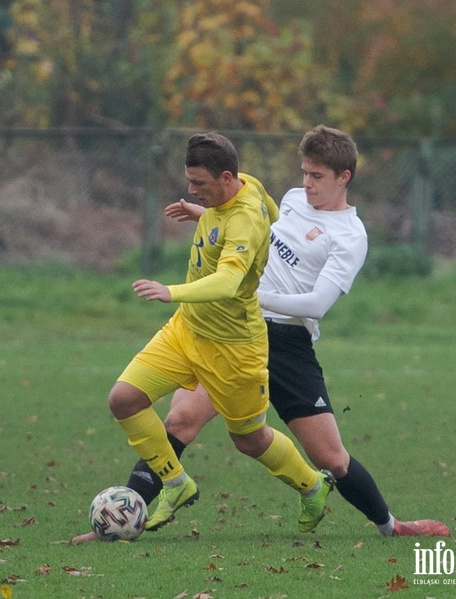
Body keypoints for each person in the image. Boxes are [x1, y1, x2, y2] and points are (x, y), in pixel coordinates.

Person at [75, 125, 448, 542]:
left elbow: (316, 304)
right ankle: (126, 520)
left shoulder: (350, 236)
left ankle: (389, 525)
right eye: (305, 173)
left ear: (345, 177)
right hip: (229, 332)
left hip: (287, 343)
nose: (306, 184)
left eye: (318, 176)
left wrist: (250, 293)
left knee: (329, 456)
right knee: (180, 420)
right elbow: (255, 238)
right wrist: (209, 216)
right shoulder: (288, 200)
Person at [106, 132, 335, 536]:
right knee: (124, 400)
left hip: (234, 349)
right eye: (190, 181)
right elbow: (274, 219)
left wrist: (170, 291)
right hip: (187, 330)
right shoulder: (248, 185)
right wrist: (204, 213)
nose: (191, 189)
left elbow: (229, 280)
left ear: (226, 177)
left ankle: (312, 485)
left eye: (200, 184)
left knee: (249, 439)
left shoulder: (244, 219)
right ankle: (176, 484)